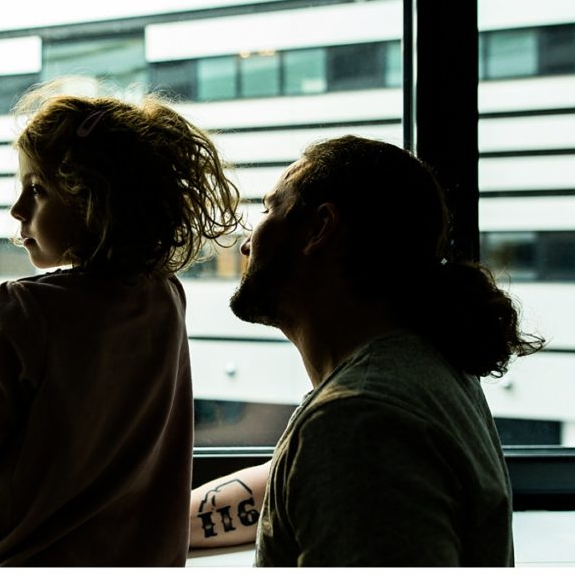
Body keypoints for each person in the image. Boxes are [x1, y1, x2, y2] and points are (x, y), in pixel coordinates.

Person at [189, 135, 543, 566]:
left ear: (319, 228)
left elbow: (352, 459)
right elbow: (306, 483)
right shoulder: (415, 370)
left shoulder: (359, 418)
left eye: (270, 209)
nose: (247, 241)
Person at [0, 83, 242, 566]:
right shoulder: (167, 296)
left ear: (95, 201)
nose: (18, 209)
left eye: (37, 189)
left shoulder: (24, 307)